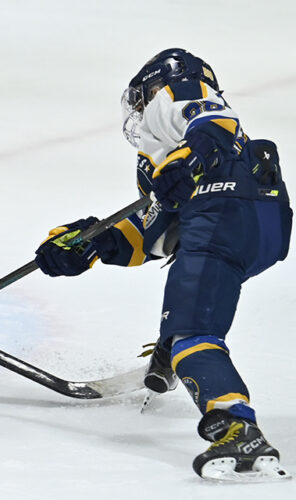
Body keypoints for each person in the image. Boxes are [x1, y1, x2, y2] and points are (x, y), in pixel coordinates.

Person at [33, 48, 292, 481]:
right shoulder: (174, 160)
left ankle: (238, 428)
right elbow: (155, 233)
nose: (138, 110)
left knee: (194, 333)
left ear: (153, 87)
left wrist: (191, 157)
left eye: (141, 98)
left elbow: (217, 123)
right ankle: (172, 349)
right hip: (253, 223)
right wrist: (92, 244)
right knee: (193, 308)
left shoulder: (178, 94)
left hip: (222, 215)